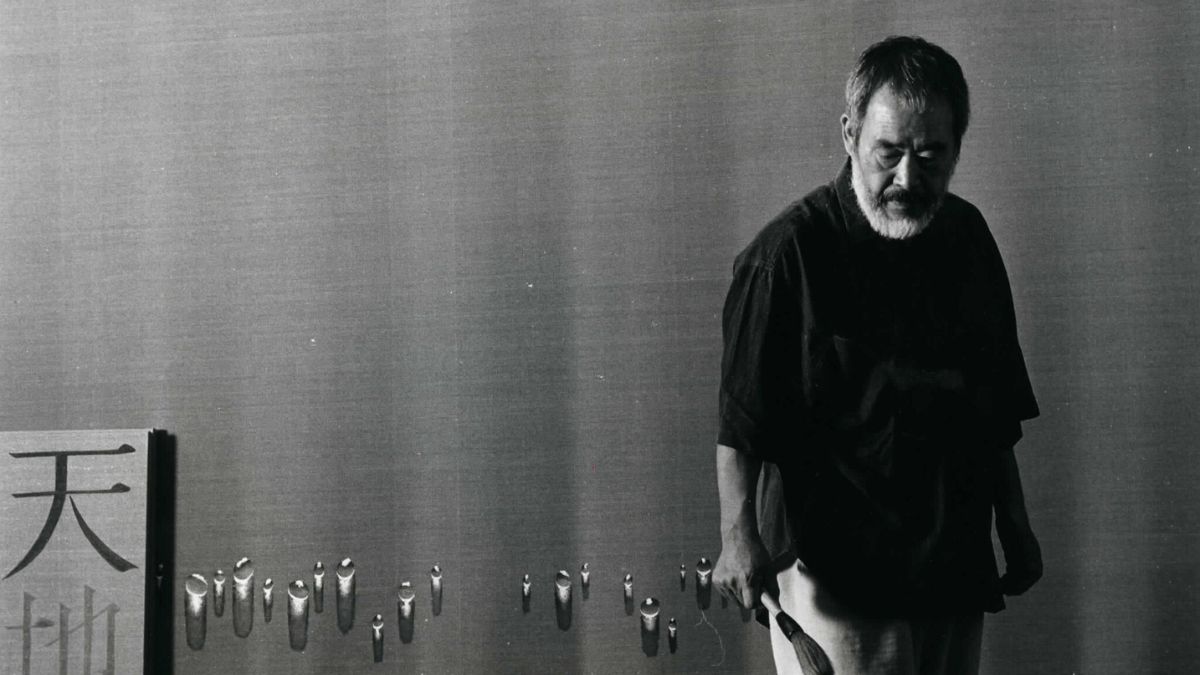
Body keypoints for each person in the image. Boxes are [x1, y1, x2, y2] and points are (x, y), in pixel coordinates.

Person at [713, 36, 1042, 675]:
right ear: (850, 134)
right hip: (836, 574)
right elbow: (740, 423)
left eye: (931, 155)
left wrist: (1016, 524)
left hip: (951, 561)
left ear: (957, 148)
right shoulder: (787, 255)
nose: (907, 179)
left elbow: (994, 406)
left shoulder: (968, 238)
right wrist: (738, 536)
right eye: (888, 152)